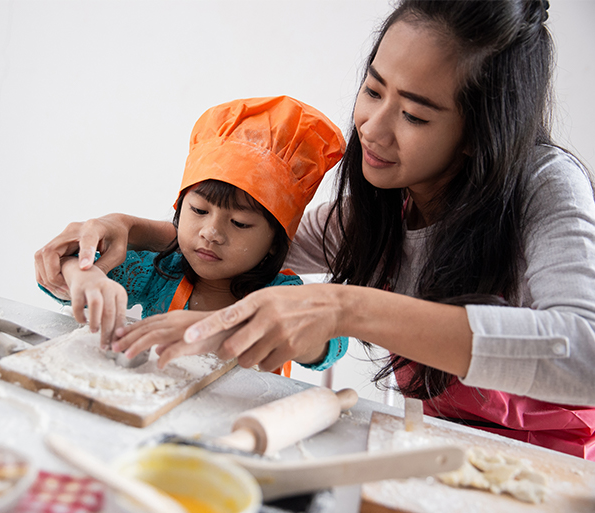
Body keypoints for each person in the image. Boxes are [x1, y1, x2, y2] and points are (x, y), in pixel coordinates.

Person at [35, 0, 595, 460]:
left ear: (481, 132)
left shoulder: (545, 185)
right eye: (374, 91)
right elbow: (252, 242)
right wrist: (121, 226)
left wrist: (342, 308)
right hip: (431, 441)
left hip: (546, 461)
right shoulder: (380, 212)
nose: (372, 129)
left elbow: (584, 355)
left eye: (416, 116)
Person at [39, 96, 348, 376]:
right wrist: (85, 278)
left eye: (240, 223)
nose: (211, 233)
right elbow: (65, 264)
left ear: (273, 243)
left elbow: (332, 341)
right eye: (199, 211)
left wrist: (234, 329)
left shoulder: (282, 293)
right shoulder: (161, 273)